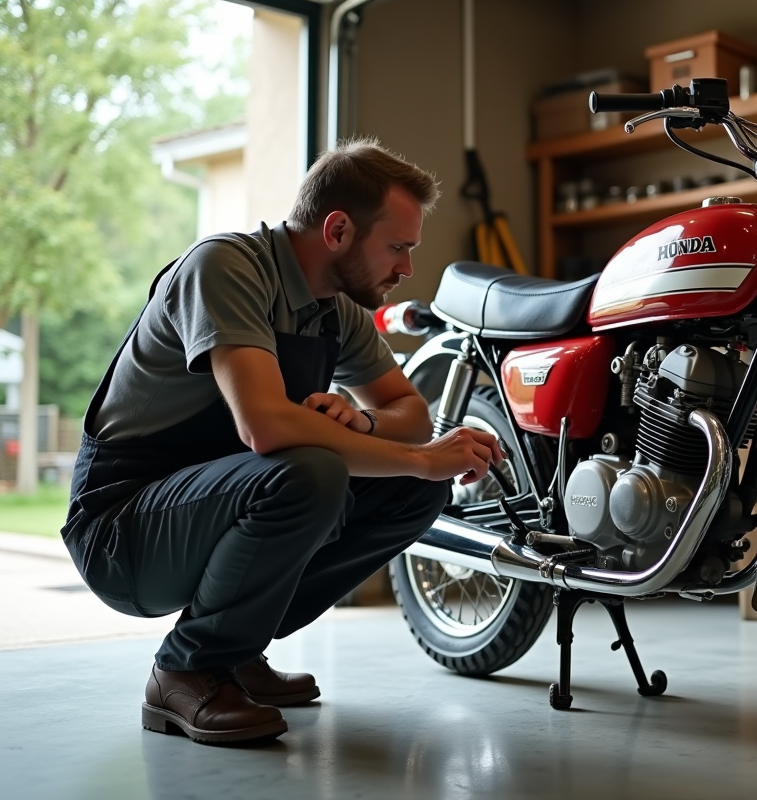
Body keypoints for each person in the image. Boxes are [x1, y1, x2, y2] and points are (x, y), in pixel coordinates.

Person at [61, 138, 502, 746]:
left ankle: (235, 650)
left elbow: (409, 413)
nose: (406, 269)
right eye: (397, 247)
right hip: (123, 530)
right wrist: (421, 459)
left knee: (408, 491)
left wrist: (365, 424)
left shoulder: (334, 311)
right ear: (338, 229)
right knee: (312, 471)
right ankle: (184, 671)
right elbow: (264, 426)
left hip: (212, 504)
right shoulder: (225, 268)